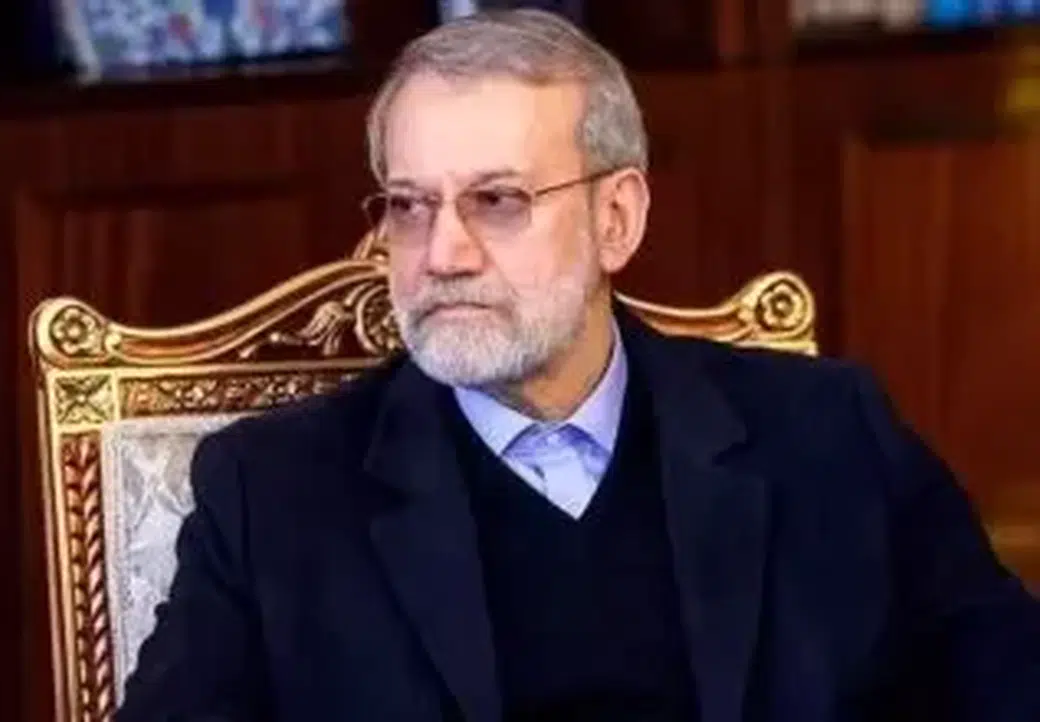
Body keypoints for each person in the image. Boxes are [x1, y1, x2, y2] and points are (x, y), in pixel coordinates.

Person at [115, 9, 1040, 722]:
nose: (443, 254)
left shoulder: (828, 436)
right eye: (409, 206)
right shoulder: (273, 494)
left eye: (498, 200)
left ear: (617, 219)